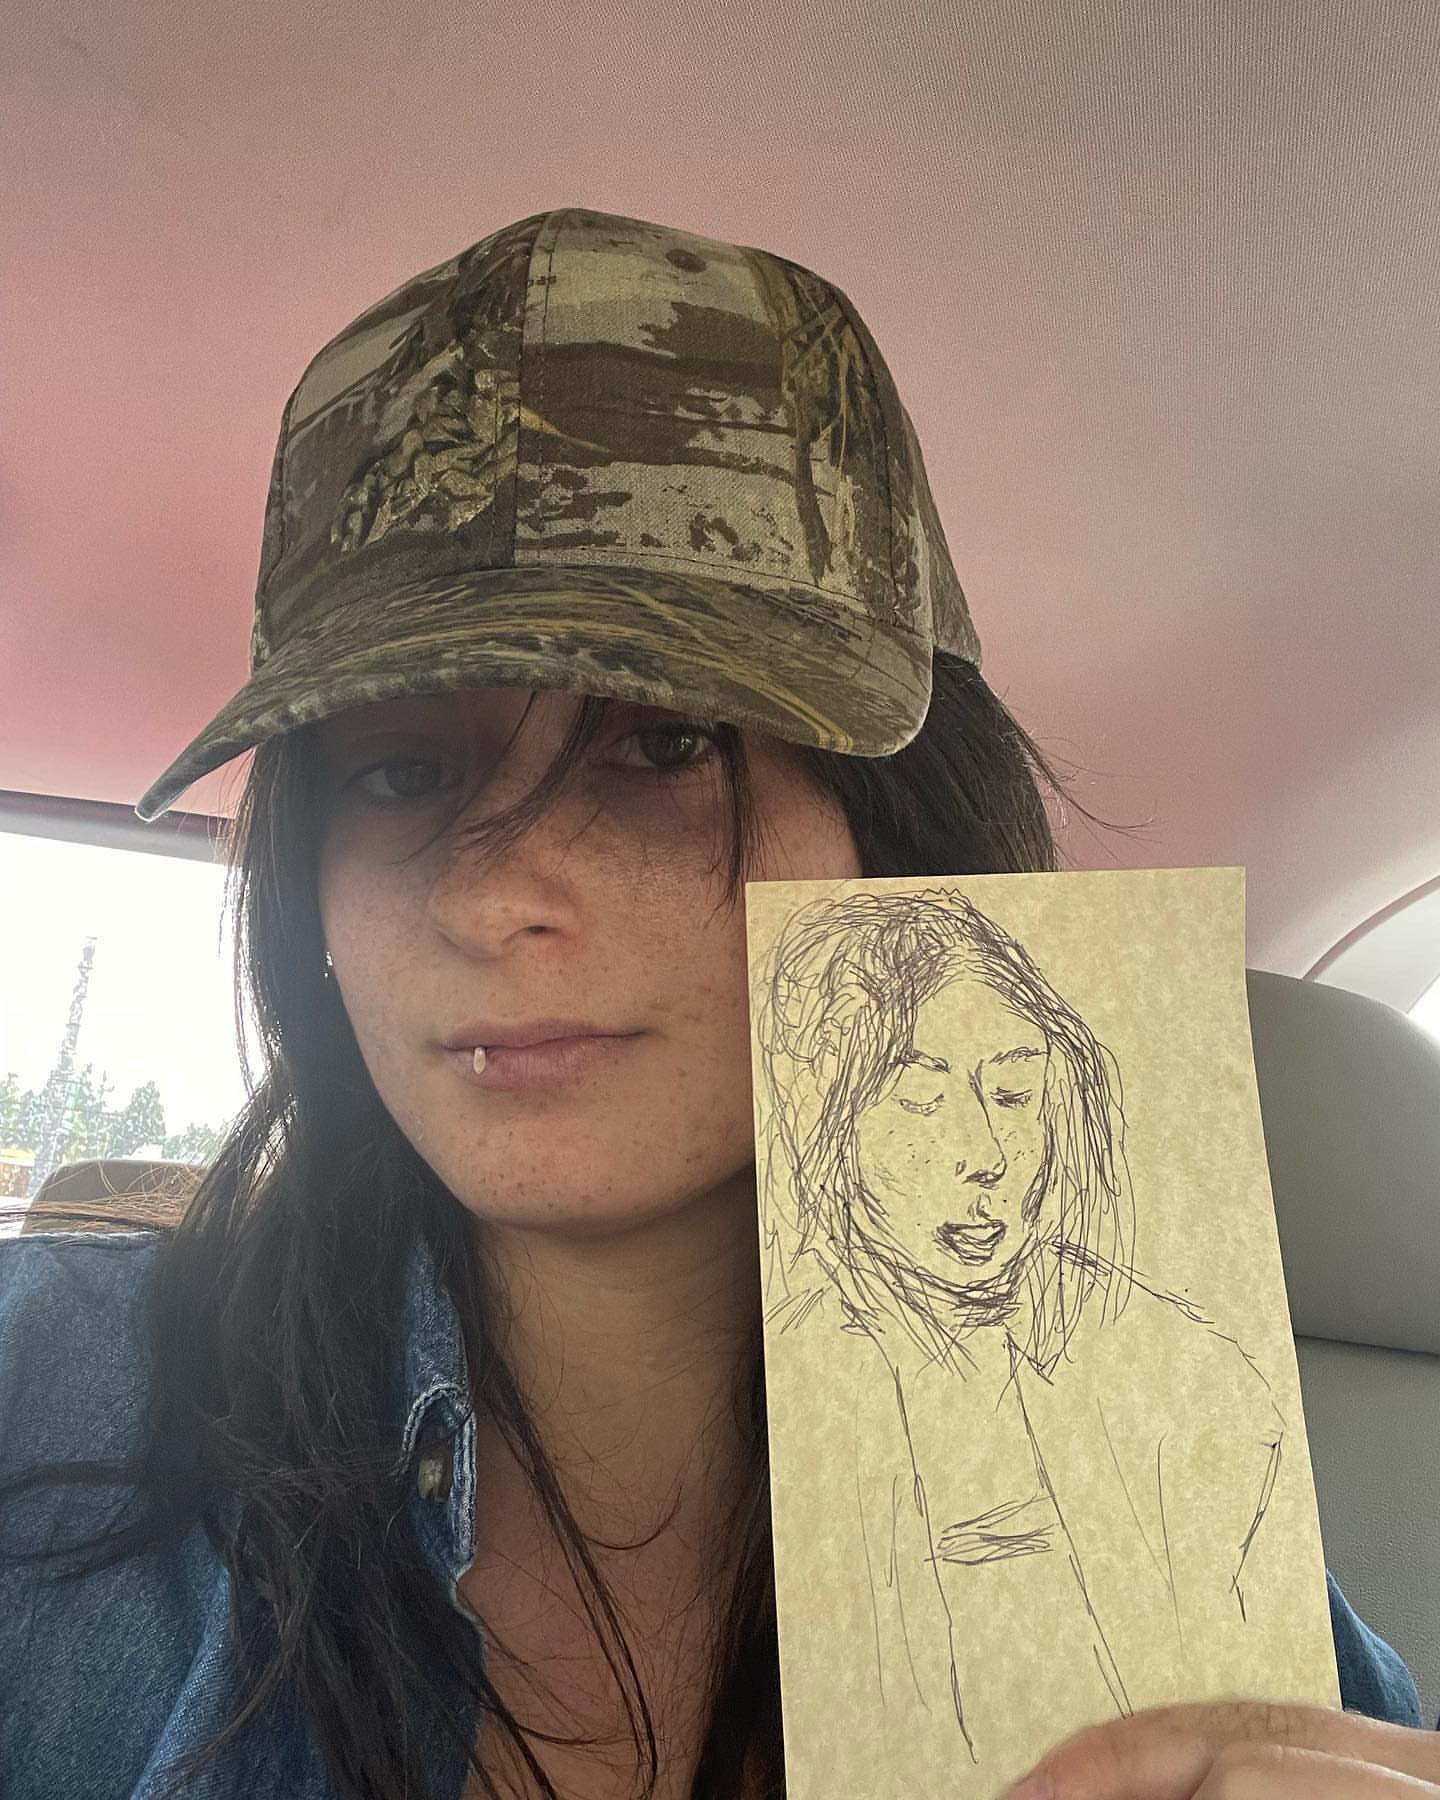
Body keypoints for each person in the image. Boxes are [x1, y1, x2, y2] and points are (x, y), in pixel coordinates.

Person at [0, 207, 1429, 1800]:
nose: (490, 895)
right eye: (400, 772)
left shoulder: (1206, 1547)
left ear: (894, 836)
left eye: (664, 747)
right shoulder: (36, 1401)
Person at [753, 886, 1313, 1781]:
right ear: (827, 1122)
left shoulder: (1187, 1370)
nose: (986, 1154)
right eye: (919, 1101)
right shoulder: (780, 1384)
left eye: (1015, 1095)